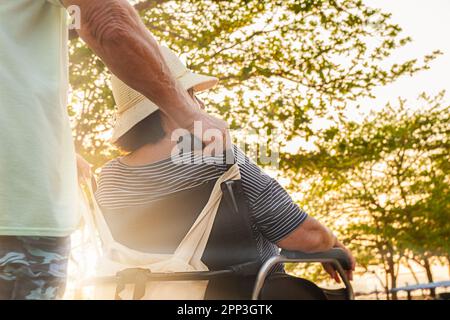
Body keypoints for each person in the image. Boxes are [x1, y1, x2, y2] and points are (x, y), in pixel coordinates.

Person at [0, 0, 227, 300]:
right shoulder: (227, 169)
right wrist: (189, 114)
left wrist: (59, 148)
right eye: (194, 97)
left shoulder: (109, 181)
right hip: (17, 217)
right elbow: (106, 20)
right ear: (163, 115)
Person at [95, 47, 356, 290]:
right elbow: (306, 236)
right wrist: (332, 244)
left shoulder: (108, 181)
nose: (201, 106)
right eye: (190, 96)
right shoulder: (218, 161)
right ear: (167, 108)